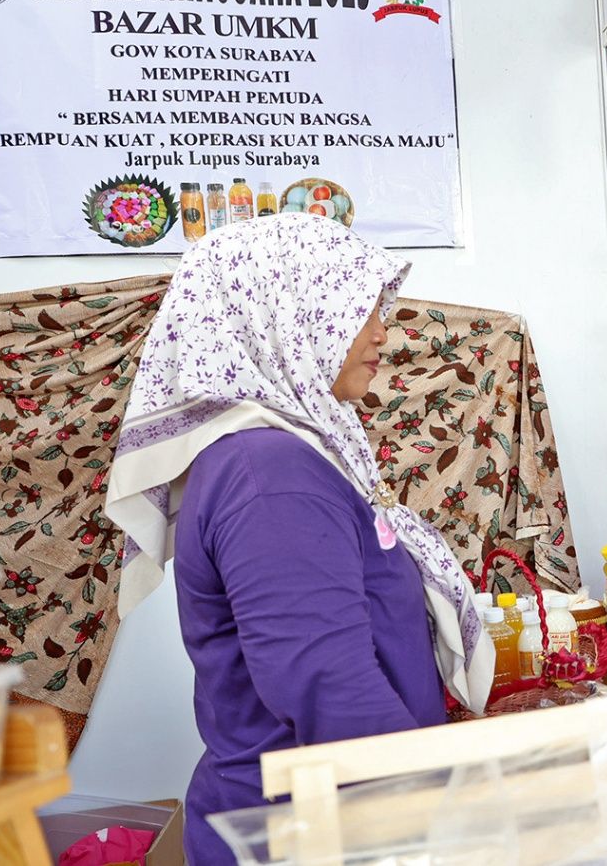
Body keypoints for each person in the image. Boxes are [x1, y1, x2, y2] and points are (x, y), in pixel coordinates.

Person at [104, 214, 490, 865]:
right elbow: (329, 688)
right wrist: (443, 824)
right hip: (311, 835)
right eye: (358, 310)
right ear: (284, 315)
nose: (381, 332)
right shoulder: (270, 475)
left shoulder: (283, 455)